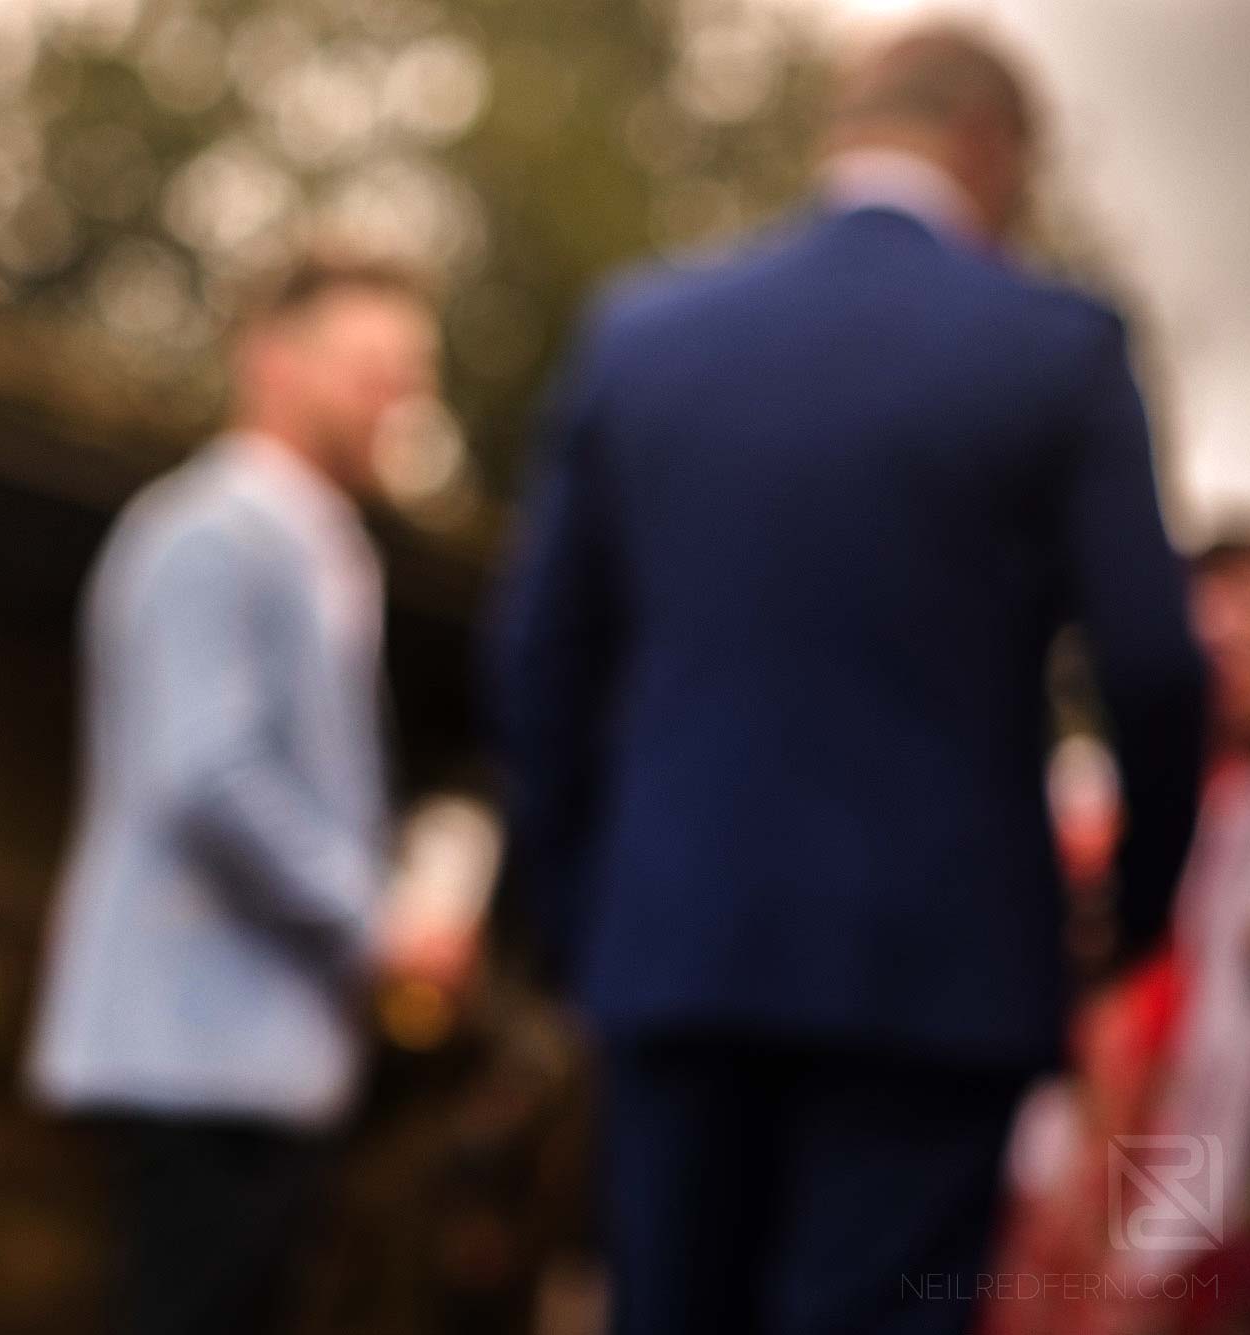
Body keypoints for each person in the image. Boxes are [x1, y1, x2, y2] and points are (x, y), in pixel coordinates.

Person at [491, 24, 1207, 1335]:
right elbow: (1155, 668)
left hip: (675, 953)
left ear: (844, 130)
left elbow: (539, 658)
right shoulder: (1057, 348)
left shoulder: (642, 336)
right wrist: (1136, 912)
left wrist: (585, 909)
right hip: (936, 980)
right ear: (995, 152)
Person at [26, 256, 443, 1335]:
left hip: (263, 1056)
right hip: (195, 1050)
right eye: (368, 369)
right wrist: (376, 925)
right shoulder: (207, 531)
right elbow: (205, 775)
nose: (397, 398)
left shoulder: (324, 546)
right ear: (270, 364)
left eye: (411, 373)